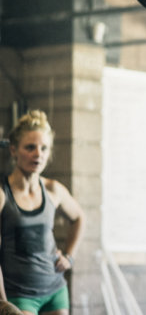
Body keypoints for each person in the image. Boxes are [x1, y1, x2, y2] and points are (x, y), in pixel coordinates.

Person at [0, 110, 85, 315]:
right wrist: (2, 302)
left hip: (55, 290)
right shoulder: (2, 194)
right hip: (20, 294)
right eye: (30, 147)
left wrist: (69, 256)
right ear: (13, 150)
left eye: (44, 148)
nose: (38, 154)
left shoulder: (53, 189)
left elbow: (79, 218)